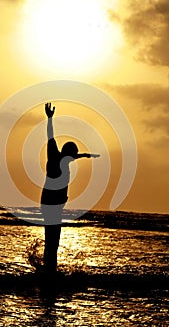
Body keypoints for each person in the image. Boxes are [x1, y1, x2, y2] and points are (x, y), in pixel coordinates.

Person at [41, 102, 100, 275]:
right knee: (52, 238)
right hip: (50, 204)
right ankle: (48, 270)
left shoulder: (65, 159)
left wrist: (87, 155)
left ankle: (49, 269)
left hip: (55, 205)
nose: (73, 158)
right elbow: (50, 136)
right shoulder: (54, 155)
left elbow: (76, 156)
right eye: (72, 154)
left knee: (54, 240)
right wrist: (49, 119)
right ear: (67, 153)